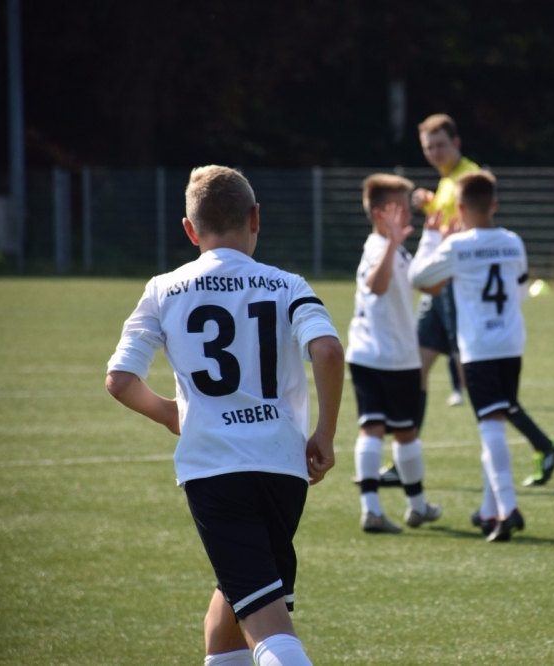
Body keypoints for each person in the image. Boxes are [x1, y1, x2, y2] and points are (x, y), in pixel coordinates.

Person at [105, 166, 344, 666]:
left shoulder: (164, 289)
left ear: (189, 230)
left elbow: (121, 380)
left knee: (265, 623)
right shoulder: (287, 284)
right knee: (227, 617)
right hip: (283, 469)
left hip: (215, 469)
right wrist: (324, 432)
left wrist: (172, 415)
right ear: (255, 218)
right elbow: (327, 350)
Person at [409, 113, 554, 487]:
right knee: (418, 367)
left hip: (460, 292)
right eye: (428, 147)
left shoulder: (467, 177)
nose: (434, 153)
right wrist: (430, 205)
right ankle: (406, 455)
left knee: (477, 382)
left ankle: (539, 450)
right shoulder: (447, 182)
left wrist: (434, 229)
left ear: (456, 143)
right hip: (446, 288)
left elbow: (463, 233)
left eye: (440, 145)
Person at [410, 171, 529, 542]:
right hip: (511, 343)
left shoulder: (458, 246)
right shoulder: (513, 241)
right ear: (495, 204)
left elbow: (417, 277)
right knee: (495, 424)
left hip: (479, 347)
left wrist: (433, 238)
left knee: (490, 427)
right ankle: (489, 511)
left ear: (459, 208)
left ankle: (508, 507)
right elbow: (522, 291)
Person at [346, 174, 443, 534]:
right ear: (379, 213)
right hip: (387, 356)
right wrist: (392, 244)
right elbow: (377, 284)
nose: (407, 212)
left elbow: (429, 284)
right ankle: (377, 509)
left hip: (382, 353)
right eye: (399, 207)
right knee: (387, 430)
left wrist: (435, 238)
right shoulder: (379, 247)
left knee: (394, 430)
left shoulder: (395, 248)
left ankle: (413, 507)